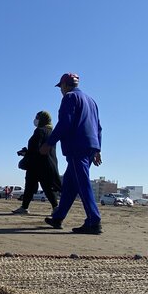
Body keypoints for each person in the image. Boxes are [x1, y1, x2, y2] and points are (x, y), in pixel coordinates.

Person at [40, 73, 103, 235]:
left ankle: (94, 220)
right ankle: (58, 217)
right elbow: (98, 127)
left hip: (77, 147)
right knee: (70, 184)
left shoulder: (69, 97)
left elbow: (65, 122)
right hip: (90, 146)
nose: (60, 90)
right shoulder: (91, 101)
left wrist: (49, 143)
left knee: (82, 183)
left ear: (65, 85)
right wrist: (98, 149)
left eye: (60, 87)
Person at [11, 111, 61, 215]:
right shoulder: (51, 132)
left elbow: (35, 148)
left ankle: (25, 207)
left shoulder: (40, 131)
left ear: (42, 119)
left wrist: (26, 153)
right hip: (48, 163)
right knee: (45, 186)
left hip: (37, 164)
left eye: (37, 117)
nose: (35, 120)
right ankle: (55, 208)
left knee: (31, 186)